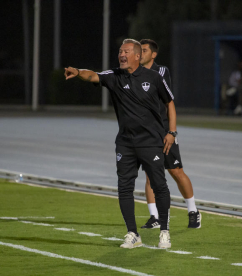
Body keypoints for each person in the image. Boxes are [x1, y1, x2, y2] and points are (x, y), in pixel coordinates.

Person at [64, 38, 176, 249]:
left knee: (160, 186)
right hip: (125, 143)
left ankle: (164, 232)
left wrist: (171, 132)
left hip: (151, 141)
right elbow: (93, 75)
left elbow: (170, 102)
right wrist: (78, 72)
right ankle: (133, 234)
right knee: (124, 188)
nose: (121, 55)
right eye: (119, 52)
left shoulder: (153, 77)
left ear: (137, 56)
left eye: (125, 51)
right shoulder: (114, 76)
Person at [139, 39, 201, 229]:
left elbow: (168, 103)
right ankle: (155, 217)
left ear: (153, 54)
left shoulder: (161, 71)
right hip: (146, 133)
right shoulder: (133, 74)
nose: (140, 53)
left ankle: (193, 211)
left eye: (144, 50)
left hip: (164, 130)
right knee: (150, 175)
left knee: (175, 171)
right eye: (138, 50)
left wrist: (171, 131)